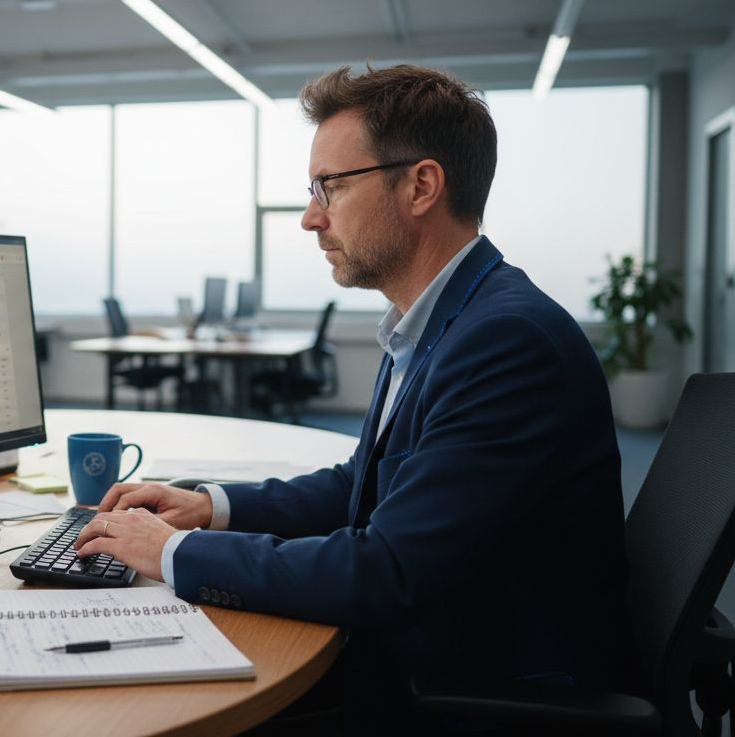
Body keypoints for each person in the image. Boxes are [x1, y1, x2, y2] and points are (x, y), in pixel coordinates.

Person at [72, 64, 630, 733]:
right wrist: (210, 506)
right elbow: (363, 486)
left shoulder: (505, 341)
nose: (311, 217)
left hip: (463, 685)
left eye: (331, 187)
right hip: (429, 649)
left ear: (421, 186)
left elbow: (388, 572)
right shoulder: (441, 320)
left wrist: (169, 553)